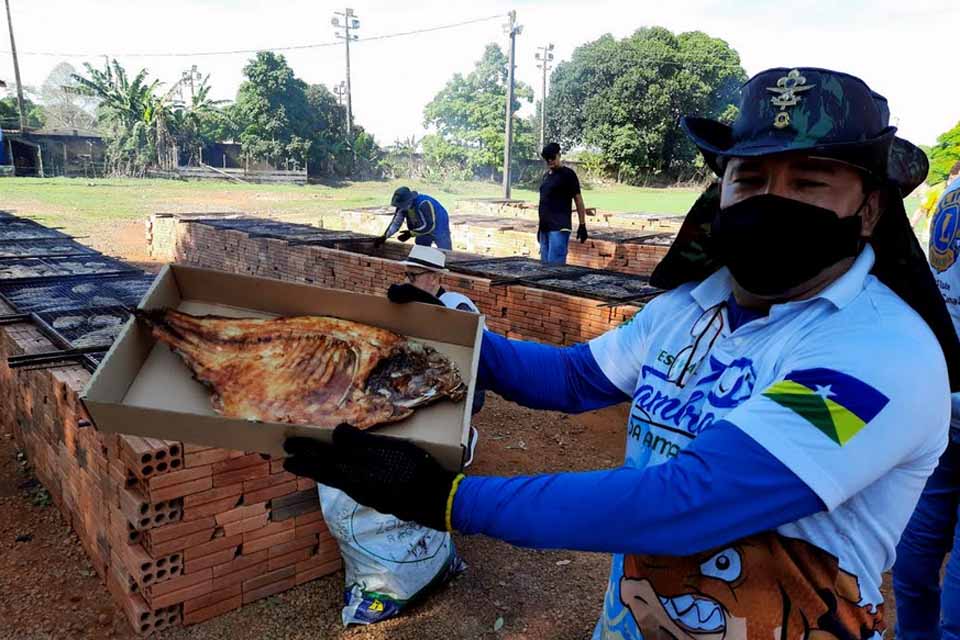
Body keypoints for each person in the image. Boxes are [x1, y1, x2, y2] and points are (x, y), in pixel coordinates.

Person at [285, 68, 960, 639]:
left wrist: (450, 498)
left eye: (810, 182)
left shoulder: (882, 354)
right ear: (721, 191)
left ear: (869, 209)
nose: (771, 200)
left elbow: (685, 501)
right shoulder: (688, 308)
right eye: (749, 179)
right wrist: (467, 339)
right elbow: (575, 378)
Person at [314, 245, 483, 626]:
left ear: (436, 278)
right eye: (406, 274)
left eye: (414, 276)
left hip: (459, 398)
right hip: (420, 395)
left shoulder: (457, 309)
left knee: (442, 458)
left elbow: (472, 373)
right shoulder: (412, 306)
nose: (406, 281)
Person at [894, 158, 960, 640]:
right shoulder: (950, 194)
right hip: (944, 408)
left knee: (932, 578)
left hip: (941, 401)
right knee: (919, 572)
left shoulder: (950, 193)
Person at [537, 142, 588, 264]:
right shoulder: (546, 177)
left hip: (559, 228)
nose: (550, 162)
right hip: (545, 228)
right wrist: (540, 227)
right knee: (543, 268)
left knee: (555, 268)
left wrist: (582, 225)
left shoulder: (568, 175)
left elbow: (578, 200)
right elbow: (544, 202)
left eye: (553, 158)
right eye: (547, 159)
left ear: (559, 155)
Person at [374, 186, 452, 250]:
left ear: (409, 201)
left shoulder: (423, 204)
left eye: (402, 205)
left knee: (443, 246)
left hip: (439, 223)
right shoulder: (402, 207)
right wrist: (385, 236)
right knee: (421, 245)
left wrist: (410, 234)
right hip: (421, 225)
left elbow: (429, 226)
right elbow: (396, 223)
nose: (401, 207)